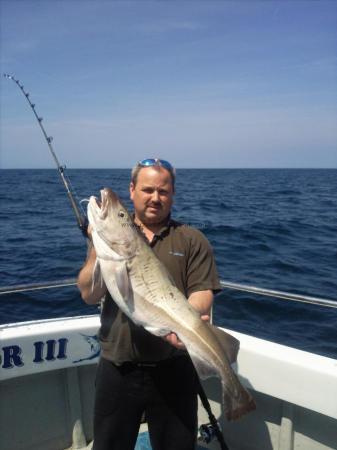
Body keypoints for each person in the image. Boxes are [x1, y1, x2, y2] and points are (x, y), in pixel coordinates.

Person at [77, 158, 221, 450]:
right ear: (132, 190)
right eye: (147, 189)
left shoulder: (192, 240)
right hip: (118, 367)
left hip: (174, 367)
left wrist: (188, 321)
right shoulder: (111, 237)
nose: (155, 197)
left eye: (163, 191)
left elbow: (202, 293)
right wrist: (97, 245)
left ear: (172, 194)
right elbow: (89, 295)